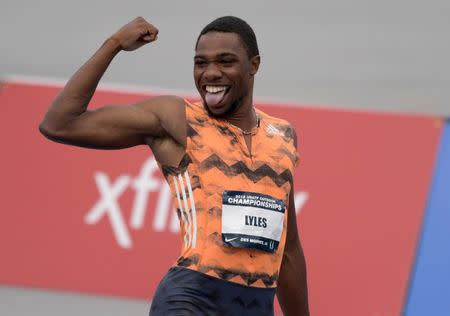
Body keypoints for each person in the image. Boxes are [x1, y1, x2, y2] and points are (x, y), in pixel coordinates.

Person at [39, 16, 309, 316]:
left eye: (225, 62)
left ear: (254, 65)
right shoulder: (178, 119)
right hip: (191, 300)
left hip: (257, 306)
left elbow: (289, 250)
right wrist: (113, 45)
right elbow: (61, 123)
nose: (211, 73)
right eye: (200, 63)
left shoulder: (283, 136)